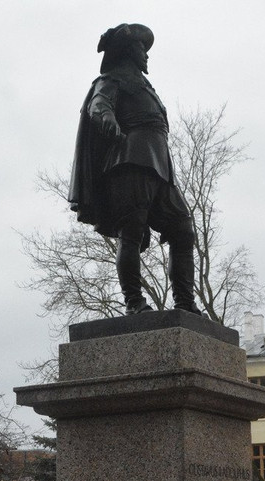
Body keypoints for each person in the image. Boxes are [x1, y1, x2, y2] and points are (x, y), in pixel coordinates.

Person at [68, 23, 202, 316]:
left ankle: (184, 303)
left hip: (159, 167)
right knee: (131, 231)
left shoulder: (145, 87)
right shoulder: (111, 80)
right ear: (129, 51)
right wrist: (108, 120)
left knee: (182, 230)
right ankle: (134, 303)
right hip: (130, 162)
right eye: (142, 49)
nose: (147, 55)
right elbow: (98, 105)